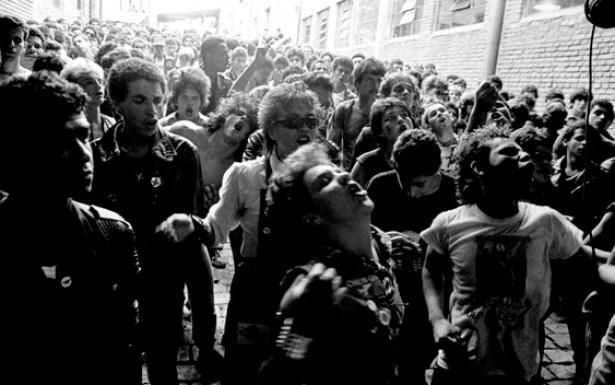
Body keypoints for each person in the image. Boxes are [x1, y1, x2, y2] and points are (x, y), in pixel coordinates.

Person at [157, 80, 322, 385]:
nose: (306, 129)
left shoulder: (329, 179)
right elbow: (218, 228)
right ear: (271, 130)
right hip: (257, 291)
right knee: (245, 370)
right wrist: (193, 225)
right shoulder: (245, 175)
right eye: (293, 122)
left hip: (309, 294)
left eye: (311, 121)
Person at [421, 127, 595, 385]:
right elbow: (431, 269)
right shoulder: (450, 223)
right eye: (509, 151)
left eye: (522, 151)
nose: (523, 155)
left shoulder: (546, 221)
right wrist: (436, 319)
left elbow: (586, 267)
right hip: (460, 366)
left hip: (520, 367)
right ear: (478, 167)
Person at [0, 71, 141, 385]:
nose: (84, 154)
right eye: (62, 142)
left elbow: (124, 349)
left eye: (82, 135)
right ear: (20, 150)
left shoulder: (114, 234)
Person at [90, 58, 219, 384]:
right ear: (117, 104)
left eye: (158, 100)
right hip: (113, 283)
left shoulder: (182, 153)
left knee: (163, 364)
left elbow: (189, 223)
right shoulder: (95, 157)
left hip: (164, 277)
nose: (152, 111)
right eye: (139, 100)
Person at [255, 142, 405, 385]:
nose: (345, 175)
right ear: (311, 216)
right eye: (325, 182)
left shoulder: (385, 246)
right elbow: (273, 377)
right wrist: (299, 327)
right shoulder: (313, 280)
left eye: (338, 170)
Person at [328, 57, 387, 171]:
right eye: (370, 80)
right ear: (357, 83)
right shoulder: (344, 109)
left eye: (379, 80)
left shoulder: (385, 112)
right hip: (349, 173)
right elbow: (332, 147)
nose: (375, 86)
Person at [350, 97, 414, 187]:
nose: (400, 119)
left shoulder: (426, 155)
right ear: (380, 131)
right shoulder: (366, 163)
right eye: (391, 117)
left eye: (404, 115)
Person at [60, 58, 115, 140]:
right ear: (73, 89)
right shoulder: (68, 128)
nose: (99, 86)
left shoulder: (111, 123)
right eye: (89, 82)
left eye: (100, 81)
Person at [200, 36, 232, 115]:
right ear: (209, 56)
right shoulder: (190, 82)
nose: (228, 57)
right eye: (223, 53)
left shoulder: (226, 83)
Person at [0, 15, 31, 81]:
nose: (11, 44)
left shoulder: (30, 79)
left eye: (17, 40)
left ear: (24, 46)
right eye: (6, 39)